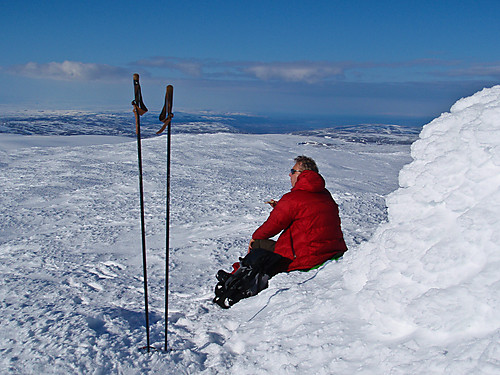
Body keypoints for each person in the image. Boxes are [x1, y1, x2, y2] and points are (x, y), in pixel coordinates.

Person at [213, 156, 347, 308]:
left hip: (305, 258)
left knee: (258, 244)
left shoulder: (292, 198)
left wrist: (254, 238)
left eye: (293, 171)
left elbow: (271, 227)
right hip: (331, 251)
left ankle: (239, 280)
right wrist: (281, 207)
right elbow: (306, 213)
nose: (289, 175)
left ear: (302, 174)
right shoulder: (325, 194)